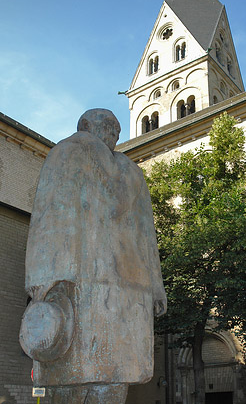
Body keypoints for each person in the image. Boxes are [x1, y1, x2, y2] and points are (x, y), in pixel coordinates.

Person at [20, 109, 167, 404]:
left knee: (68, 385)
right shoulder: (134, 174)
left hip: (75, 293)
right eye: (111, 129)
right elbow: (148, 237)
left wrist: (39, 284)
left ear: (84, 127)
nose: (113, 135)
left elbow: (46, 224)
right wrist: (156, 289)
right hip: (126, 305)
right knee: (112, 380)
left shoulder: (64, 154)